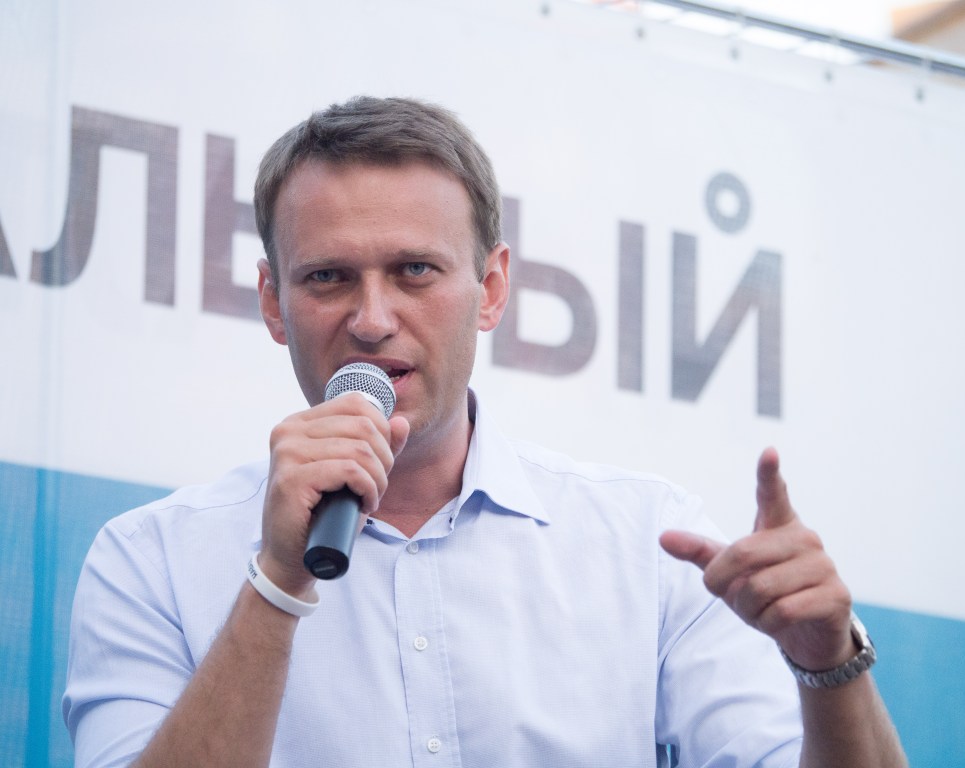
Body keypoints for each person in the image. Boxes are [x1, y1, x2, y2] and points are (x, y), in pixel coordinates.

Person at [63, 96, 907, 768]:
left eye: (415, 270)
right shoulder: (152, 561)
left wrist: (826, 665)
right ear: (274, 304)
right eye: (327, 277)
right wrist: (280, 581)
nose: (372, 318)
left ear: (492, 290)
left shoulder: (646, 547)